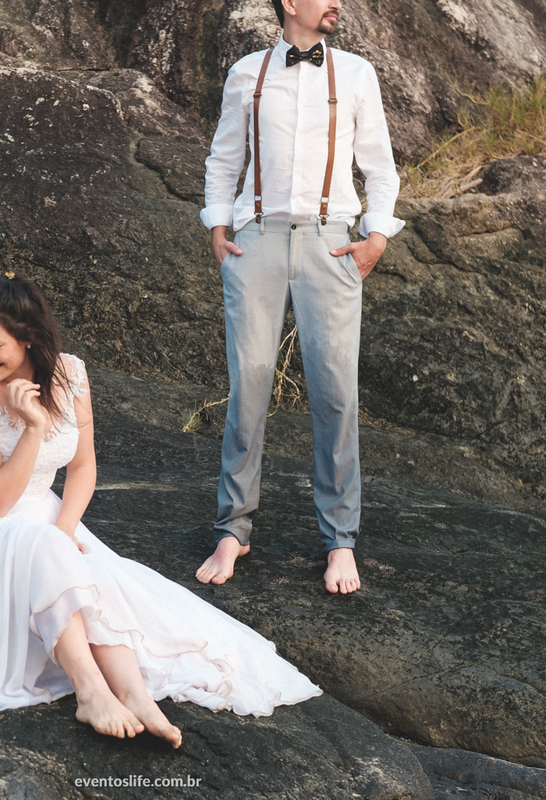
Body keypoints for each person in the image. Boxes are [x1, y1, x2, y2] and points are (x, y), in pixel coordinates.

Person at [0, 274, 321, 742]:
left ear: (28, 338)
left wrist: (66, 526)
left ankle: (135, 695)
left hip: (45, 512)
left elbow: (83, 465)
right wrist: (32, 428)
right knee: (42, 549)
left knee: (90, 572)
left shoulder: (71, 373)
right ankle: (90, 691)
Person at [195, 0, 405, 594]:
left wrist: (376, 238)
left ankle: (340, 541)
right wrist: (218, 227)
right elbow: (224, 158)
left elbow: (381, 167)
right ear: (289, 2)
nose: (337, 2)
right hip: (256, 242)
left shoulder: (357, 73)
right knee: (248, 386)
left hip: (331, 245)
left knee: (335, 394)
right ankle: (233, 529)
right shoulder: (246, 73)